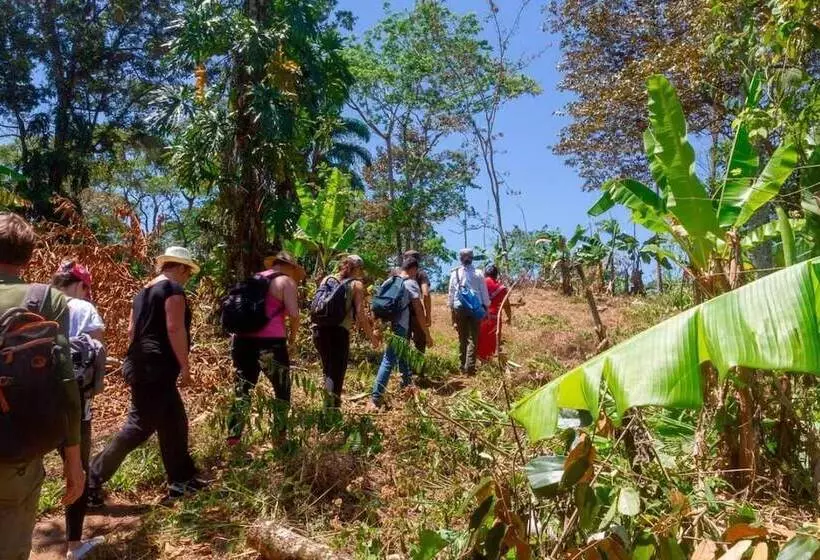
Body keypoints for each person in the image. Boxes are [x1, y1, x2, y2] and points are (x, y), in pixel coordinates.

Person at [88, 247, 202, 504]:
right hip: (157, 366)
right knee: (139, 426)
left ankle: (181, 479)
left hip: (141, 361)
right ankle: (90, 481)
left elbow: (131, 331)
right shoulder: (173, 289)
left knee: (174, 422)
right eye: (188, 273)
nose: (187, 279)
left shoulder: (143, 293)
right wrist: (185, 366)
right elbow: (174, 328)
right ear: (181, 268)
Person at [0, 213, 84, 560]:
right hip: (16, 450)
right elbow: (65, 384)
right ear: (30, 255)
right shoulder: (47, 300)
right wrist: (73, 460)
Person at [51, 260, 107, 559]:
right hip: (75, 407)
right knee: (77, 471)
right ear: (82, 285)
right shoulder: (85, 309)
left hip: (35, 404)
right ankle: (74, 546)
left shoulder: (37, 303)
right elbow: (97, 358)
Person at [226, 252, 304, 446]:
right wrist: (293, 340)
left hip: (242, 341)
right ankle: (279, 437)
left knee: (243, 388)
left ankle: (233, 438)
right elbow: (294, 314)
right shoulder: (286, 282)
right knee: (282, 389)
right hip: (271, 343)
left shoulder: (254, 279)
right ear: (291, 267)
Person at [312, 255, 380, 411]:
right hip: (338, 333)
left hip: (318, 330)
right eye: (361, 269)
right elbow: (361, 315)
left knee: (328, 370)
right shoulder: (356, 284)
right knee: (336, 372)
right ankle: (330, 412)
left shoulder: (327, 279)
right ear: (356, 268)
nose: (362, 273)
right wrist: (372, 338)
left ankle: (328, 409)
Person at [367, 258, 433, 410]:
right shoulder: (411, 284)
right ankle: (375, 398)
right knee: (389, 359)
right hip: (401, 327)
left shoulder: (388, 281)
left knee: (403, 356)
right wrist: (427, 334)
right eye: (416, 271)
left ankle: (407, 386)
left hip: (388, 326)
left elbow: (376, 305)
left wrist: (377, 328)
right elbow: (418, 311)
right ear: (413, 269)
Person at [448, 248, 490, 375]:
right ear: (472, 258)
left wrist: (452, 311)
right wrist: (486, 307)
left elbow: (451, 293)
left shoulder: (454, 273)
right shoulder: (478, 273)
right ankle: (470, 367)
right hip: (474, 307)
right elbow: (484, 292)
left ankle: (462, 365)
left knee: (462, 337)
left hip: (459, 307)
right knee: (473, 337)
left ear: (460, 259)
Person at [477, 264, 512, 362]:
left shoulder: (480, 284)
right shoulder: (501, 288)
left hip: (480, 317)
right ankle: (487, 362)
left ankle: (479, 361)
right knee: (491, 342)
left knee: (479, 340)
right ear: (496, 275)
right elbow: (506, 305)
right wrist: (509, 317)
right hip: (494, 319)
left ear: (485, 273)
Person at [404, 250, 432, 355]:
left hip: (399, 313)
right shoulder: (421, 274)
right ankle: (418, 368)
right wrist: (428, 315)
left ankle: (404, 368)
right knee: (420, 341)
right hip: (415, 313)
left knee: (402, 341)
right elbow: (426, 294)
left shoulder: (396, 273)